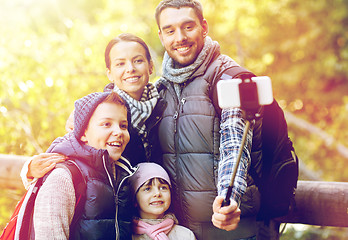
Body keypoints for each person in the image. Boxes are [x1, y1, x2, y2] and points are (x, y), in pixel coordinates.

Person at [154, 0, 261, 239]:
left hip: (229, 229)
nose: (179, 37)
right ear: (161, 36)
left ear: (204, 27)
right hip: (180, 231)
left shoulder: (228, 78)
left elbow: (235, 146)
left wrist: (229, 199)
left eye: (188, 27)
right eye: (170, 30)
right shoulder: (163, 86)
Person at [20, 33, 166, 189]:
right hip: (112, 203)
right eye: (120, 64)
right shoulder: (96, 111)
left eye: (138, 61)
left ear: (151, 66)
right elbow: (69, 148)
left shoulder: (163, 104)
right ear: (109, 73)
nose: (130, 69)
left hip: (157, 201)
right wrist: (29, 169)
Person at [28, 91, 135, 239]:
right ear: (83, 133)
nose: (118, 131)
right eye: (106, 124)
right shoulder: (63, 178)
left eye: (123, 125)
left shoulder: (122, 174)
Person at [129, 162, 196, 240]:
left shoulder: (185, 235)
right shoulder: (126, 235)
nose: (157, 193)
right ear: (134, 199)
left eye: (163, 188)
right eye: (147, 189)